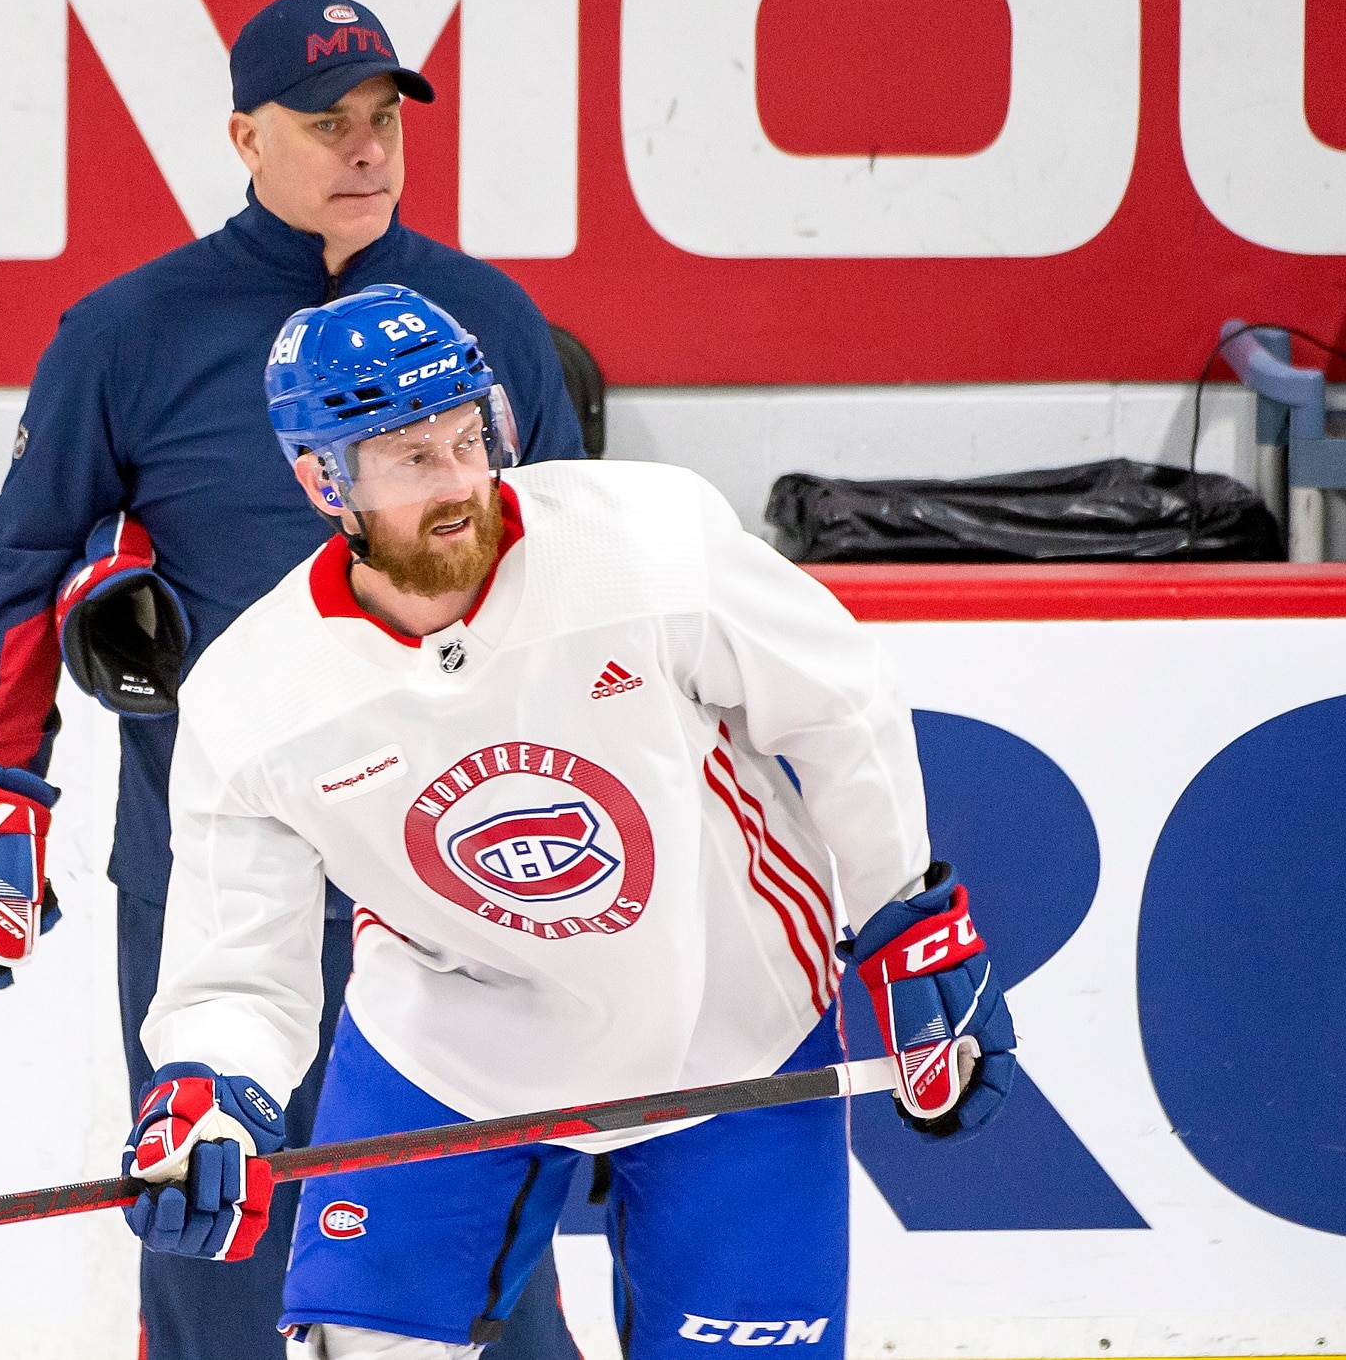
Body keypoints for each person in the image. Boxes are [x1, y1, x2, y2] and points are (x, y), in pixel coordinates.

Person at [119, 286, 1018, 1358]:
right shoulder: (254, 697)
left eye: (469, 438)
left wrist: (902, 914)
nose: (461, 483)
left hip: (725, 1026)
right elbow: (236, 968)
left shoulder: (644, 543)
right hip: (447, 1048)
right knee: (367, 1351)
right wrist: (212, 1095)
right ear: (324, 480)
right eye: (412, 458)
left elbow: (838, 699)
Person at [0, 0, 587, 1360]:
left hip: (460, 864)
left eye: (383, 118)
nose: (365, 148)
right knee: (216, 1249)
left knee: (490, 1275)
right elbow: (31, 564)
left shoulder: (490, 323)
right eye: (325, 122)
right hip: (215, 870)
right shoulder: (128, 334)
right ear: (243, 134)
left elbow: (580, 583)